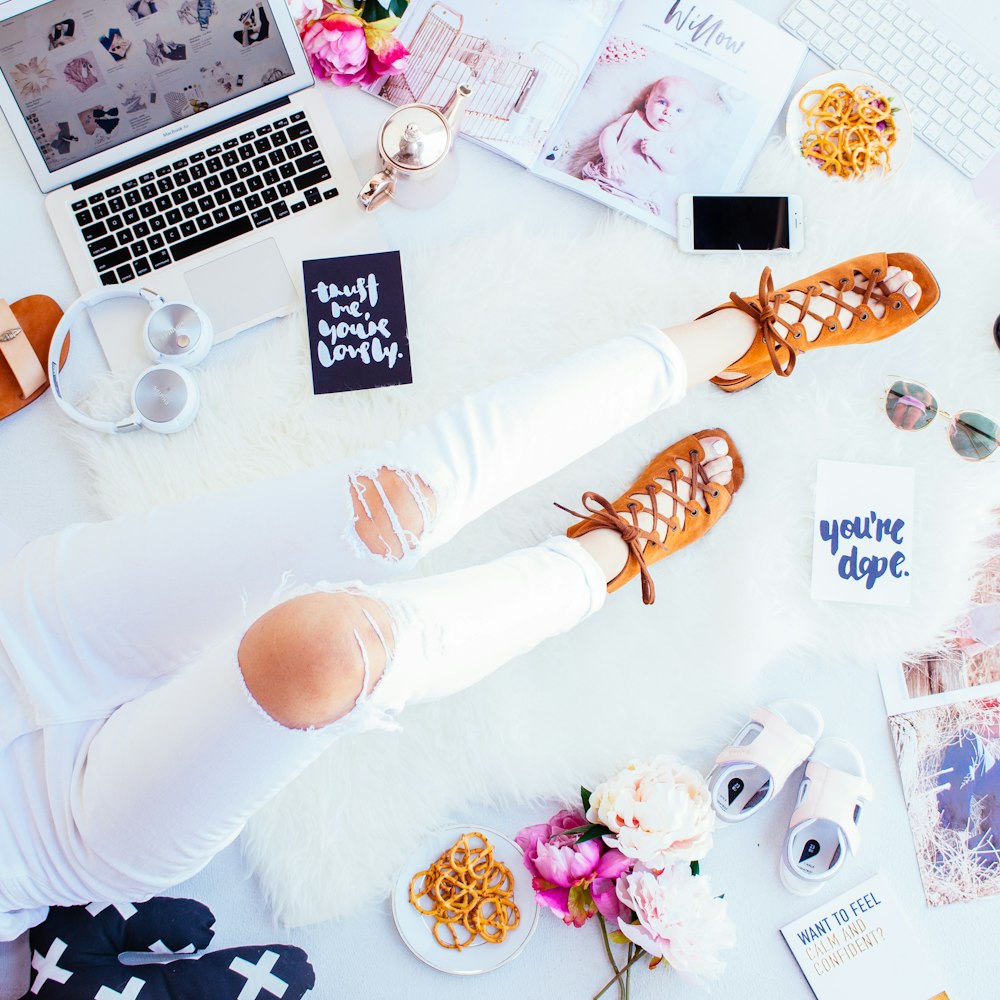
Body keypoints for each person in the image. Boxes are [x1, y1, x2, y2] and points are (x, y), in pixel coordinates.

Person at [0, 255, 934, 996]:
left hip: (23, 627)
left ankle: (736, 331)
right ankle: (604, 557)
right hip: (55, 836)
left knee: (393, 501)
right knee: (330, 649)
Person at [581, 75, 699, 217]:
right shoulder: (632, 118)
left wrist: (657, 152)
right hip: (604, 182)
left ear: (688, 118)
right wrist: (611, 155)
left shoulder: (676, 139)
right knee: (583, 190)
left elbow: (676, 166)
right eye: (662, 102)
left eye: (679, 110)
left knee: (632, 221)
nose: (668, 112)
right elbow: (608, 133)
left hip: (638, 199)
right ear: (647, 100)